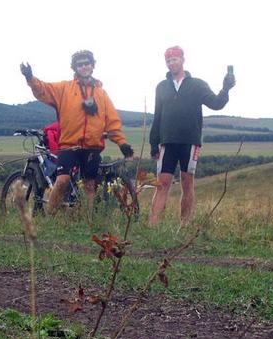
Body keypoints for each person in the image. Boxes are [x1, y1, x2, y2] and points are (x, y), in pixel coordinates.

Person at [20, 50, 134, 214]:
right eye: (80, 64)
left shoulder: (101, 94)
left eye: (87, 63)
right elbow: (43, 90)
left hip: (92, 146)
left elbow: (112, 121)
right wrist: (30, 78)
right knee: (62, 180)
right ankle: (51, 219)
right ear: (75, 68)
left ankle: (88, 221)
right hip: (69, 145)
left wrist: (122, 143)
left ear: (93, 65)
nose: (84, 67)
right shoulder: (64, 88)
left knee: (89, 185)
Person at [149, 46, 235, 226]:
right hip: (167, 142)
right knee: (162, 183)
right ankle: (153, 225)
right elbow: (157, 115)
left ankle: (184, 225)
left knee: (187, 183)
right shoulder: (162, 87)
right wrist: (153, 143)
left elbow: (216, 104)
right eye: (168, 60)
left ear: (182, 60)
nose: (171, 63)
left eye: (175, 59)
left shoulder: (197, 84)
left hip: (190, 142)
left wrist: (226, 88)